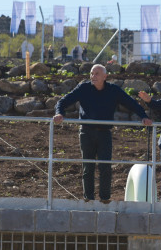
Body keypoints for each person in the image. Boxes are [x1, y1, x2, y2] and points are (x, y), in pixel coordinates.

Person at [53, 64, 153, 202]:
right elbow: (62, 102)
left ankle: (105, 199)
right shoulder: (83, 88)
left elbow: (131, 103)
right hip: (86, 133)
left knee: (105, 166)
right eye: (92, 74)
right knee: (88, 167)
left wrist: (143, 116)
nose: (93, 76)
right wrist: (59, 114)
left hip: (104, 133)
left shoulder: (113, 90)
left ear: (105, 76)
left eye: (97, 74)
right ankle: (88, 199)